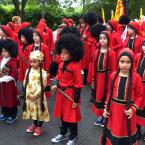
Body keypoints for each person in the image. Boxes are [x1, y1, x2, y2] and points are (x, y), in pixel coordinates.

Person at [102, 48, 143, 145]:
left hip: (127, 113)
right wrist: (106, 108)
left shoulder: (136, 77)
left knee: (126, 136)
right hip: (113, 112)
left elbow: (140, 96)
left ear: (132, 63)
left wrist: (133, 109)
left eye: (128, 62)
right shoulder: (113, 75)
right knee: (113, 135)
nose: (124, 65)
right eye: (122, 61)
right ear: (118, 62)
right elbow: (109, 94)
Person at [51, 33, 84, 145]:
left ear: (73, 53)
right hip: (61, 94)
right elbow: (58, 77)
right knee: (62, 115)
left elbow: (79, 84)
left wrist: (76, 100)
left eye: (65, 53)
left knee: (72, 117)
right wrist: (56, 84)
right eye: (61, 52)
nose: (63, 55)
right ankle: (63, 133)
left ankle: (73, 136)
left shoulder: (75, 66)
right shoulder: (60, 65)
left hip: (70, 94)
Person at [91, 31, 116, 127]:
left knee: (107, 96)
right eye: (100, 38)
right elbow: (93, 67)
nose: (102, 40)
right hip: (98, 78)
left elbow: (114, 69)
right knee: (99, 96)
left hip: (108, 78)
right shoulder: (96, 52)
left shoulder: (112, 53)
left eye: (104, 38)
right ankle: (100, 115)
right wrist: (93, 79)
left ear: (108, 40)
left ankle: (106, 117)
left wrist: (113, 81)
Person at [23, 50, 50, 136]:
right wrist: (28, 94)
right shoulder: (28, 71)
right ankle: (34, 124)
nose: (32, 64)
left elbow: (42, 86)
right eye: (31, 61)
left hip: (39, 97)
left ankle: (39, 126)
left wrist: (35, 95)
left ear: (40, 61)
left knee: (40, 111)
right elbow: (25, 82)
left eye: (34, 62)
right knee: (33, 111)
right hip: (30, 96)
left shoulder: (43, 73)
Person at [0, 39, 19, 124]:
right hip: (2, 84)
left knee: (11, 100)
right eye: (2, 51)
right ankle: (5, 113)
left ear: (11, 51)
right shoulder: (1, 59)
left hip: (9, 84)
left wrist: (2, 79)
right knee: (3, 99)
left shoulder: (12, 62)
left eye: (6, 51)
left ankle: (12, 115)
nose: (3, 53)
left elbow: (13, 75)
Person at [134, 39, 145, 141]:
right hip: (139, 86)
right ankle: (137, 131)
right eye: (144, 45)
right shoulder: (138, 56)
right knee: (137, 109)